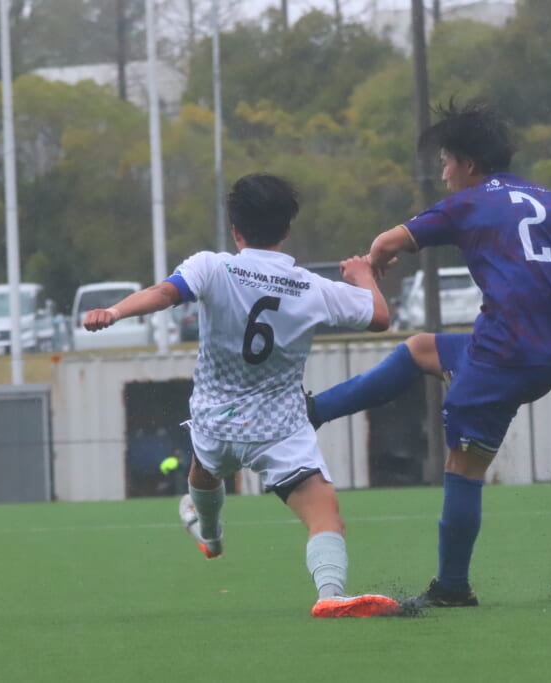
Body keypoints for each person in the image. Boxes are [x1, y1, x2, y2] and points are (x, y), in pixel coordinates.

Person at [306, 101, 551, 607]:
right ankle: (314, 412)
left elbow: (385, 241)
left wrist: (371, 266)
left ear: (469, 164)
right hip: (543, 359)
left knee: (463, 467)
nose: (444, 175)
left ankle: (452, 587)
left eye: (446, 163)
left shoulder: (468, 204)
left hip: (501, 357)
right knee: (420, 349)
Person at [83, 173, 399, 618]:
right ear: (287, 230)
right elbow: (380, 316)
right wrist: (363, 275)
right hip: (278, 430)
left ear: (235, 230)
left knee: (205, 466)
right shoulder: (312, 287)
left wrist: (114, 312)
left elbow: (165, 293)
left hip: (215, 422)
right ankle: (329, 594)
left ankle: (210, 534)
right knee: (325, 516)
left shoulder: (213, 267)